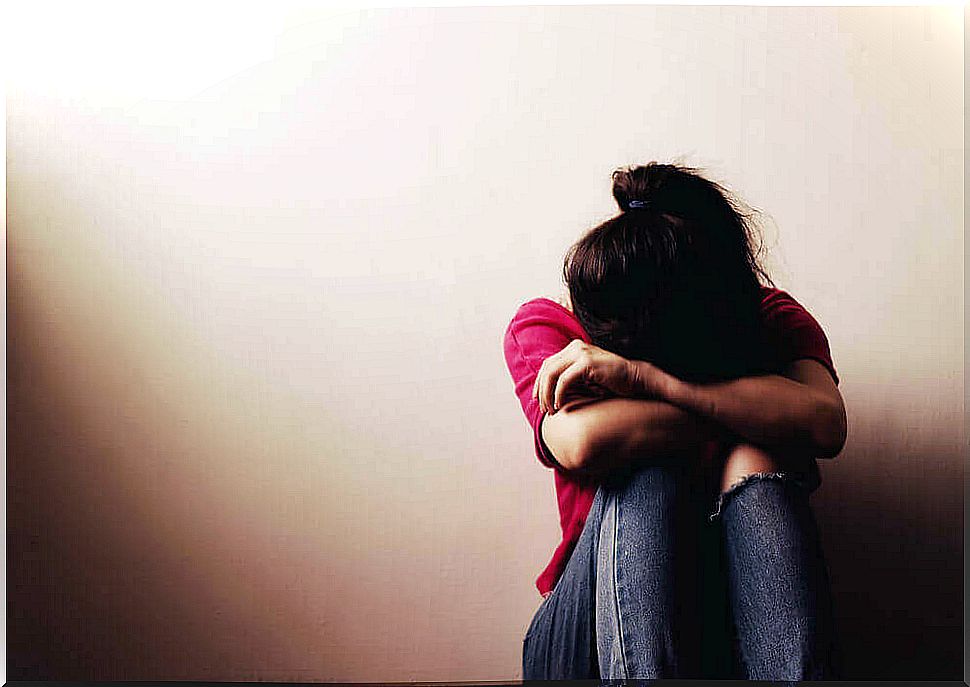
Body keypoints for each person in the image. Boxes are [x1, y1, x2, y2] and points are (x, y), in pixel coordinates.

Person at [502, 162, 847, 680]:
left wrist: (649, 382)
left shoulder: (765, 315)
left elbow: (825, 423)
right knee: (648, 470)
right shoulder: (554, 324)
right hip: (585, 639)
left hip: (732, 624)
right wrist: (744, 410)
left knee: (754, 459)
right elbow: (584, 441)